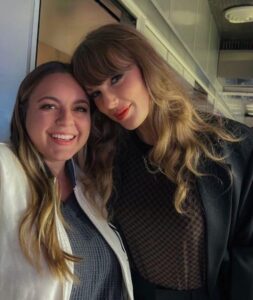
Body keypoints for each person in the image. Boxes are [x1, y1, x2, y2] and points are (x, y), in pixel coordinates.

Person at [71, 23, 253, 300]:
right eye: (95, 93)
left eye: (116, 78)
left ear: (147, 65)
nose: (108, 102)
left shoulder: (231, 145)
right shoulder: (109, 154)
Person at [0, 61, 133, 300]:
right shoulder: (4, 168)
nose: (66, 120)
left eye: (80, 108)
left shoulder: (88, 186)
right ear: (23, 111)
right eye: (49, 106)